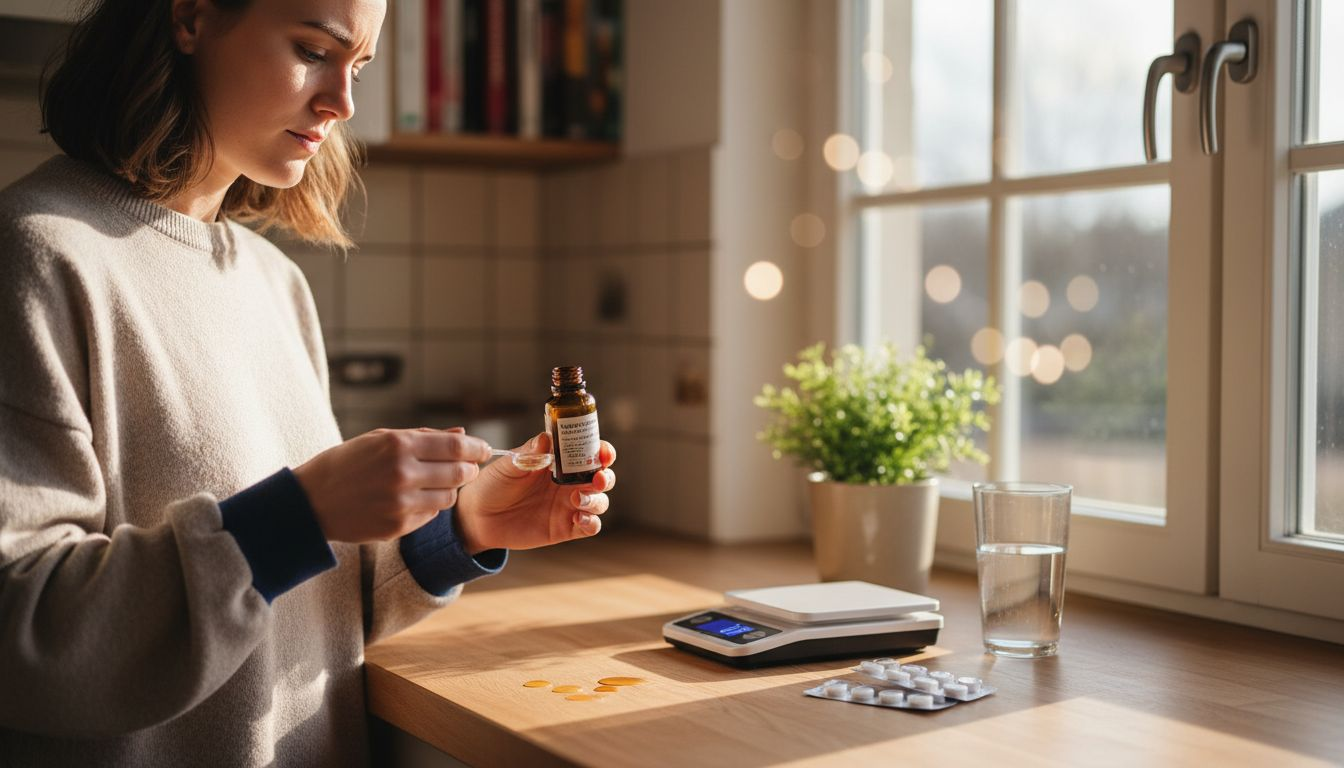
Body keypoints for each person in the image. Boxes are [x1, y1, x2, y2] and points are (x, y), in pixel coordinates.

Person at [0, 0, 616, 764]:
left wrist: (459, 529)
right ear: (190, 18)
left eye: (359, 67)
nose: (343, 103)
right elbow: (22, 629)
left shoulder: (275, 282)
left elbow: (295, 611)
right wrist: (301, 512)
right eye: (312, 51)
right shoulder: (36, 259)